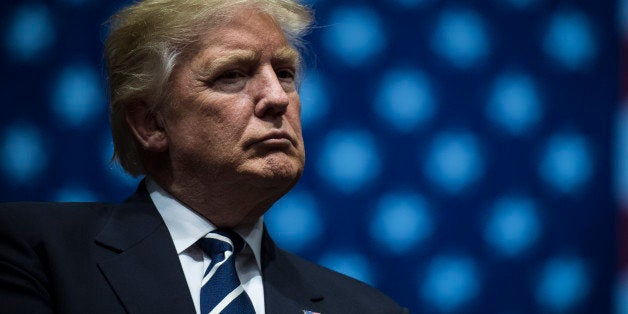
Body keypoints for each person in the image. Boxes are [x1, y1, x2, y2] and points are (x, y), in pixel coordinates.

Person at [0, 0, 408, 313]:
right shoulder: (35, 252)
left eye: (284, 73)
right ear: (150, 123)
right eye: (232, 75)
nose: (278, 98)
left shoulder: (368, 308)